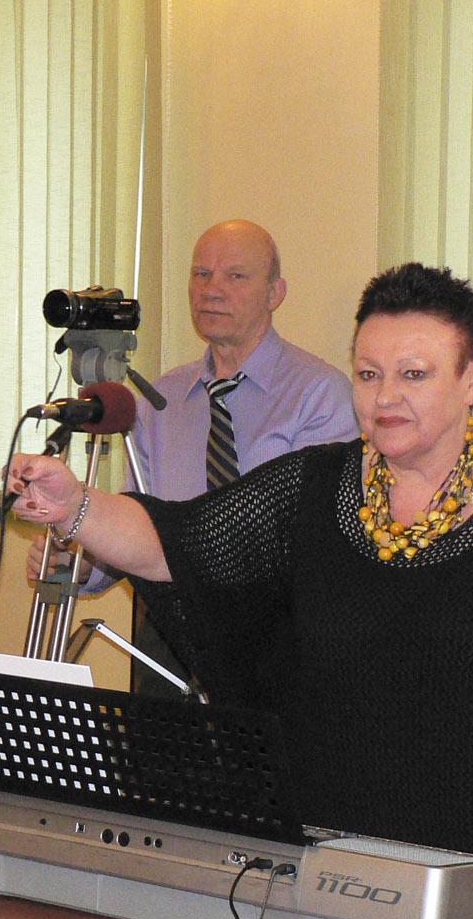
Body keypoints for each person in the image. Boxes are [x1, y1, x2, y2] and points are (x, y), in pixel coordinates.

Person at [8, 261, 473, 919]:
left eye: (414, 375)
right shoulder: (313, 487)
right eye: (368, 374)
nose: (386, 397)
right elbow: (176, 543)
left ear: (472, 379)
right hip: (336, 877)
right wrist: (77, 506)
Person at [34, 219, 358, 693]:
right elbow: (136, 517)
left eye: (236, 276)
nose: (212, 290)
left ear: (275, 293)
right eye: (201, 274)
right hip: (170, 634)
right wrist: (86, 564)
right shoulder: (160, 400)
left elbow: (318, 545)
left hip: (272, 637)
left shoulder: (318, 394)